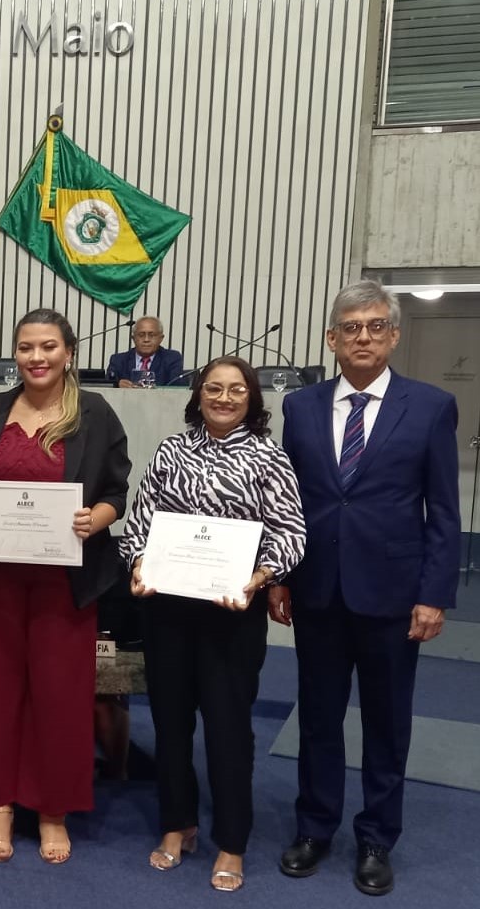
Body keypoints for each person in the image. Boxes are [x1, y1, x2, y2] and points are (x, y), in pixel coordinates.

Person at [271, 280, 459, 897]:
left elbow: (443, 510)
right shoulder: (299, 409)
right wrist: (279, 575)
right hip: (317, 589)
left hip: (394, 594)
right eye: (351, 327)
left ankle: (377, 838)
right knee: (318, 720)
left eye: (376, 326)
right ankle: (315, 828)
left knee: (386, 723)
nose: (363, 337)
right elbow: (286, 504)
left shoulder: (429, 407)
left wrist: (433, 594)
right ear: (331, 339)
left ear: (394, 335)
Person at [120, 356, 307, 892]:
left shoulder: (269, 457)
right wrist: (136, 565)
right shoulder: (172, 450)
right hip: (168, 610)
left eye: (236, 390)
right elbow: (141, 521)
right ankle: (178, 825)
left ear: (252, 398)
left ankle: (232, 841)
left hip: (232, 613)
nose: (223, 398)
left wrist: (259, 577)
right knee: (171, 725)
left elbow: (290, 531)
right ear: (198, 394)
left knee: (228, 731)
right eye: (213, 388)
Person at [0, 307, 130, 865]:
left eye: (48, 346)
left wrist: (94, 520)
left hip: (64, 581)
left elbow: (116, 493)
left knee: (59, 694)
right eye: (27, 347)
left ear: (69, 353)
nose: (37, 357)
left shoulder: (95, 413)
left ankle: (52, 809)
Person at [106, 316, 183, 387]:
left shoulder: (172, 358)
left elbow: (176, 386)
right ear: (133, 338)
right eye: (141, 335)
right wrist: (117, 384)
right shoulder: (118, 360)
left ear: (161, 338)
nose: (146, 340)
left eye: (151, 335)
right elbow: (106, 384)